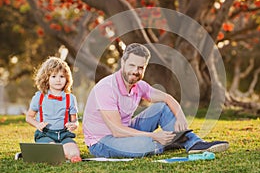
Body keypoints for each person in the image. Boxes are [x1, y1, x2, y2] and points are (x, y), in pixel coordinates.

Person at [83, 43, 229, 158]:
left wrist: (180, 117)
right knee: (146, 143)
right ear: (123, 63)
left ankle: (194, 143)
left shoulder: (139, 86)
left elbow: (167, 98)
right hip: (102, 141)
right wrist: (153, 135)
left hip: (127, 130)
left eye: (141, 67)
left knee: (161, 107)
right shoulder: (106, 88)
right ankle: (170, 141)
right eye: (132, 65)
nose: (136, 71)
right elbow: (117, 131)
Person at [26, 57, 82, 163]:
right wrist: (37, 124)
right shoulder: (39, 97)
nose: (58, 79)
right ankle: (56, 152)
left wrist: (74, 124)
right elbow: (29, 117)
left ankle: (69, 154)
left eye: (62, 76)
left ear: (67, 79)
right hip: (45, 134)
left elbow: (74, 120)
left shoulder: (70, 98)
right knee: (53, 149)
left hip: (64, 135)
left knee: (74, 152)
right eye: (54, 76)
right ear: (46, 78)